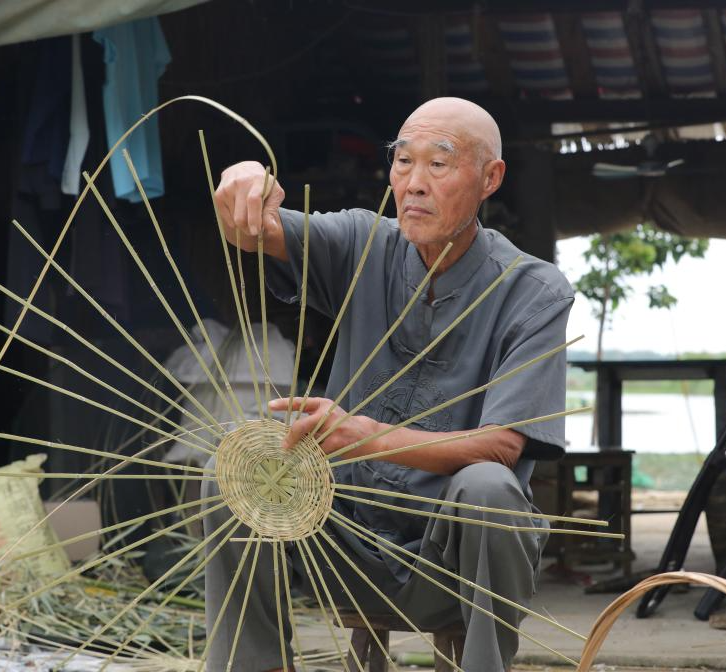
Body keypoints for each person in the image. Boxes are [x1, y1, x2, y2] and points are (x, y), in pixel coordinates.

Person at [201, 97, 573, 672]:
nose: (414, 184)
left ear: (490, 178)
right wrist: (244, 185)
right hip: (339, 544)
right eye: (403, 162)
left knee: (491, 490)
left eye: (439, 164)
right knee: (234, 467)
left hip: (447, 564)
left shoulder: (534, 290)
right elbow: (257, 231)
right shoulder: (360, 242)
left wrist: (364, 435)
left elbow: (503, 446)